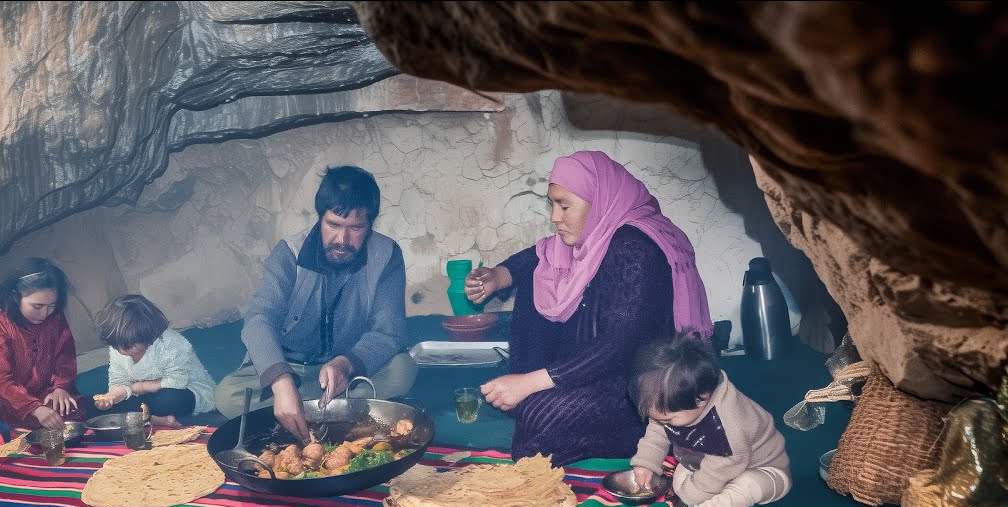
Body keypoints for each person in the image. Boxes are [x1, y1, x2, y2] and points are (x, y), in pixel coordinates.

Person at [464, 149, 713, 466]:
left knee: (538, 418)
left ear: (600, 200)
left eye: (564, 205)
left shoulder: (634, 246)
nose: (555, 217)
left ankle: (650, 431)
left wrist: (530, 383)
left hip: (642, 380)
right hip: (599, 368)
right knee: (542, 270)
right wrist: (496, 276)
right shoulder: (597, 235)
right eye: (552, 204)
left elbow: (618, 347)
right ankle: (542, 390)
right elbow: (534, 258)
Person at [215, 165, 417, 441]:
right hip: (293, 369)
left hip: (348, 372)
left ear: (370, 226)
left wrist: (345, 364)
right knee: (228, 395)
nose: (342, 239)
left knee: (402, 370)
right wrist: (281, 382)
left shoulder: (387, 254)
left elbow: (389, 331)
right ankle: (325, 410)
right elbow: (259, 319)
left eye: (355, 228)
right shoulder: (289, 252)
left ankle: (303, 411)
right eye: (333, 225)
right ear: (320, 218)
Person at [627, 333, 791, 507]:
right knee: (681, 482)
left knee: (745, 487)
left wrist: (691, 496)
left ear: (702, 399)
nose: (663, 423)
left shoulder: (730, 425)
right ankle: (706, 501)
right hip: (710, 463)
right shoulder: (680, 406)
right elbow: (657, 430)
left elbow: (723, 466)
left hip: (764, 471)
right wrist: (646, 462)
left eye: (669, 420)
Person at [0, 258, 85, 431]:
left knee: (72, 415)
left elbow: (66, 359)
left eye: (51, 306)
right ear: (16, 297)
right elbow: (4, 381)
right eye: (37, 306)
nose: (45, 313)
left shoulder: (56, 317)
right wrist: (35, 409)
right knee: (29, 427)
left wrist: (60, 388)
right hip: (16, 400)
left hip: (50, 393)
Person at [90, 294, 216, 426]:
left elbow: (176, 382)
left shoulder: (171, 343)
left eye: (128, 346)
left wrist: (139, 387)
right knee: (90, 406)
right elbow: (119, 381)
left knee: (169, 400)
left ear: (148, 334)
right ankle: (157, 420)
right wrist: (111, 398)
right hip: (143, 398)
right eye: (116, 346)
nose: (121, 351)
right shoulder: (119, 344)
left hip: (185, 391)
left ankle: (144, 417)